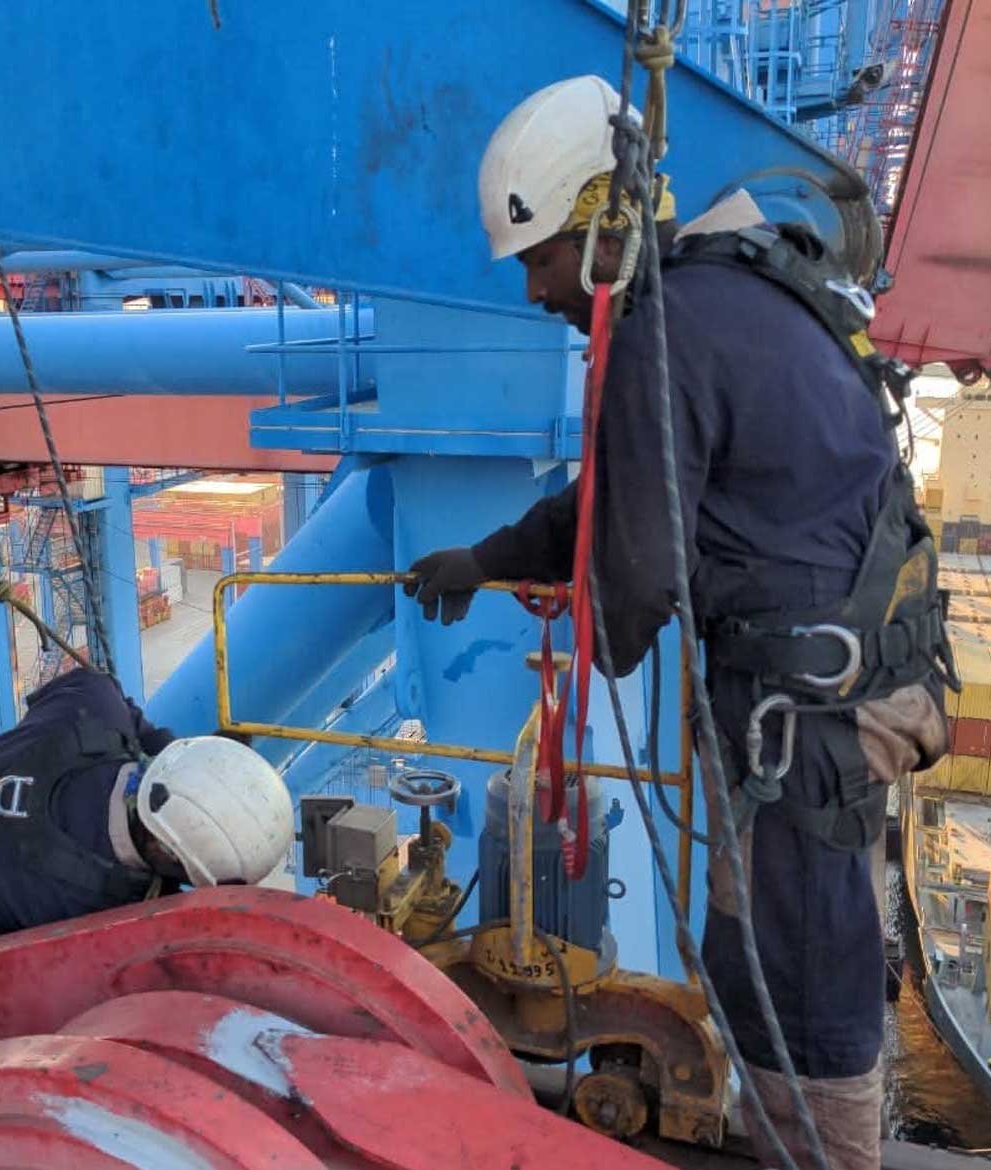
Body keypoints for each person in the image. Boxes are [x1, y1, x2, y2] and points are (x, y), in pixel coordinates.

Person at [406, 75, 950, 1170]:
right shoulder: (719, 296)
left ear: (604, 224)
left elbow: (637, 573)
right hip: (830, 694)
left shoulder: (663, 330)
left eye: (542, 258)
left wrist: (596, 621)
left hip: (815, 716)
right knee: (755, 954)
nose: (533, 289)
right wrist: (493, 557)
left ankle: (829, 1158)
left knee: (802, 978)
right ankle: (782, 1137)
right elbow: (618, 488)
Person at [0, 669, 293, 960]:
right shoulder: (89, 908)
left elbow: (98, 689)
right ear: (165, 853)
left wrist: (176, 759)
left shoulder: (93, 705)